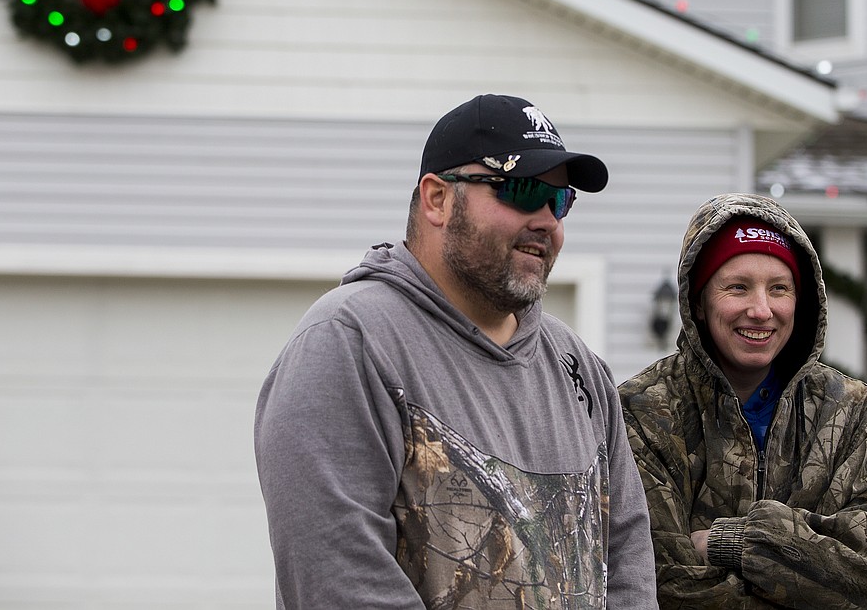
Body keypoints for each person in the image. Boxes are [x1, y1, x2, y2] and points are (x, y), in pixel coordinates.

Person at [254, 94, 659, 610]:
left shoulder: (578, 367)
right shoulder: (350, 343)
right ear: (437, 199)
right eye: (521, 189)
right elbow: (340, 580)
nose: (547, 221)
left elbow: (626, 555)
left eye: (559, 201)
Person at [618, 192, 867, 609]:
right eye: (738, 287)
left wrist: (736, 543)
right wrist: (804, 575)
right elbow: (663, 579)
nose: (761, 310)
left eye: (778, 288)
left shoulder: (851, 413)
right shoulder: (641, 412)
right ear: (699, 303)